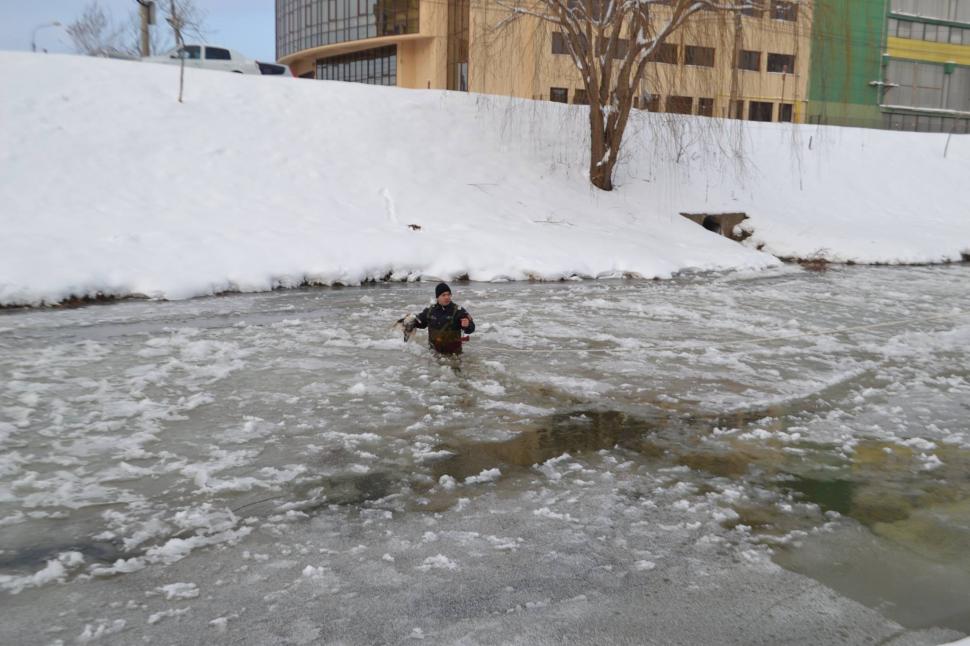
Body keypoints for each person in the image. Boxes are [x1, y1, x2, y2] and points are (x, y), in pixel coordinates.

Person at [409, 283, 475, 355]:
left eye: (448, 294)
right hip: (433, 354)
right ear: (437, 297)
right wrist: (410, 320)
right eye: (443, 295)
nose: (447, 297)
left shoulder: (459, 311)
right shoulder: (430, 310)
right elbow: (420, 323)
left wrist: (467, 325)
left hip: (453, 355)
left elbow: (471, 328)